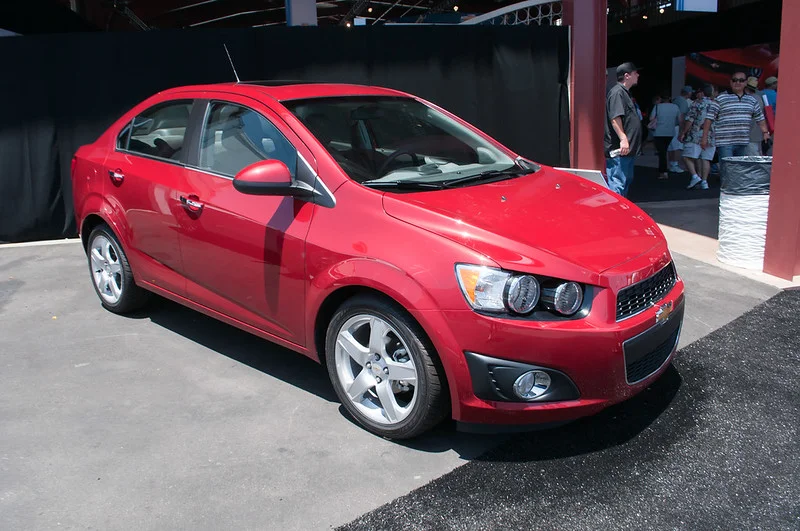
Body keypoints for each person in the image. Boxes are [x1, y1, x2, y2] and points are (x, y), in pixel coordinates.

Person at [702, 71, 769, 159]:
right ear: (730, 82)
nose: (738, 83)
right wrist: (704, 138)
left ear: (745, 83)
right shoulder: (721, 98)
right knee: (727, 168)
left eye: (741, 80)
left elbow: (760, 118)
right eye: (735, 80)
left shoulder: (752, 100)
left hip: (743, 142)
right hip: (724, 142)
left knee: (740, 169)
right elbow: (709, 118)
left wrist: (765, 132)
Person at [604, 62, 643, 197]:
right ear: (627, 76)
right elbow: (615, 117)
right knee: (617, 184)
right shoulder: (617, 92)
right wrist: (623, 138)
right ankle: (613, 215)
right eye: (635, 73)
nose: (637, 75)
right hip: (620, 150)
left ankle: (620, 214)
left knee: (625, 181)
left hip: (628, 151)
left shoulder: (625, 93)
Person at [679, 85, 716, 190]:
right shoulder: (716, 104)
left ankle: (695, 176)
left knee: (686, 156)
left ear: (702, 93)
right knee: (706, 159)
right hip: (711, 135)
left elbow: (690, 119)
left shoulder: (697, 104)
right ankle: (704, 181)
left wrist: (683, 132)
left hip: (696, 134)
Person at [651, 94, 683, 180]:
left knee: (662, 153)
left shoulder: (658, 107)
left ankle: (663, 171)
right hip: (670, 132)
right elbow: (680, 120)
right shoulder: (675, 107)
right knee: (666, 150)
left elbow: (651, 118)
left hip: (659, 132)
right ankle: (668, 168)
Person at [668, 85, 693, 172]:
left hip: (671, 125)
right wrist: (682, 131)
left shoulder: (676, 99)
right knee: (676, 147)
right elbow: (681, 116)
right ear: (688, 93)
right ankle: (675, 165)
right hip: (676, 126)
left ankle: (672, 164)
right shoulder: (683, 102)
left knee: (671, 147)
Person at [745, 76, 766, 155]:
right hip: (757, 133)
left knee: (753, 158)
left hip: (750, 135)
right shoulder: (758, 98)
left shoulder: (749, 99)